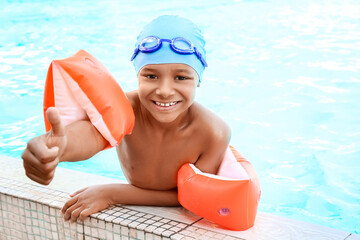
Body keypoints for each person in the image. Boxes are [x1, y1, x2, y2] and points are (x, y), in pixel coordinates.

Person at [21, 15, 231, 223]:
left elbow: (190, 196)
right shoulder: (126, 108)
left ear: (199, 80)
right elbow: (92, 136)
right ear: (137, 75)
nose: (165, 91)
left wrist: (112, 193)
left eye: (181, 77)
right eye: (151, 76)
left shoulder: (213, 133)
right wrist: (60, 148)